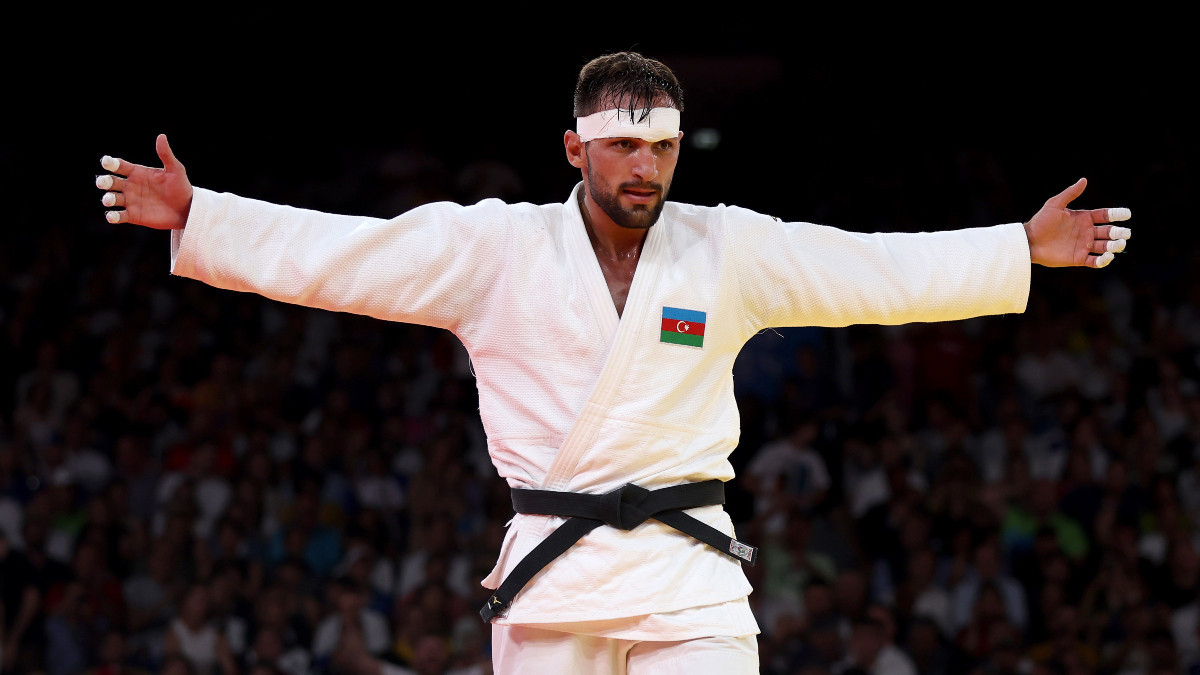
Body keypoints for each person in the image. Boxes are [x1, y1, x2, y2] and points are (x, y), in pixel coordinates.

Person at [95, 51, 1133, 674]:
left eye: (665, 149)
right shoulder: (493, 249)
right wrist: (205, 218)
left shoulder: (728, 250)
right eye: (626, 147)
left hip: (688, 569)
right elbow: (345, 257)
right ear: (574, 148)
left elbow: (867, 271)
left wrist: (1013, 247)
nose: (648, 168)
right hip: (556, 570)